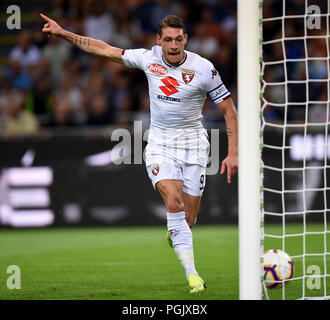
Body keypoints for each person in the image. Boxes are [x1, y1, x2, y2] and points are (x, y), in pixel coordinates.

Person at [40, 13, 238, 294]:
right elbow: (104, 49)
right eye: (167, 39)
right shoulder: (148, 58)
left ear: (186, 39)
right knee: (174, 202)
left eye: (178, 39)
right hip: (159, 144)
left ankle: (177, 233)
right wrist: (65, 34)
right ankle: (193, 276)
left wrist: (233, 153)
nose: (172, 45)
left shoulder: (204, 69)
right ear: (159, 40)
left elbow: (230, 112)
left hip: (195, 147)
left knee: (188, 220)